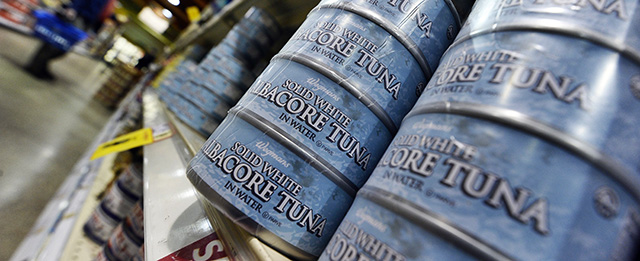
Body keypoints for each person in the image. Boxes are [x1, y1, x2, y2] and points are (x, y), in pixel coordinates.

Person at [24, 0, 113, 80]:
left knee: (60, 43)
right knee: (57, 42)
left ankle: (41, 65)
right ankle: (35, 66)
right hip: (78, 15)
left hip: (86, 19)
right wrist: (73, 8)